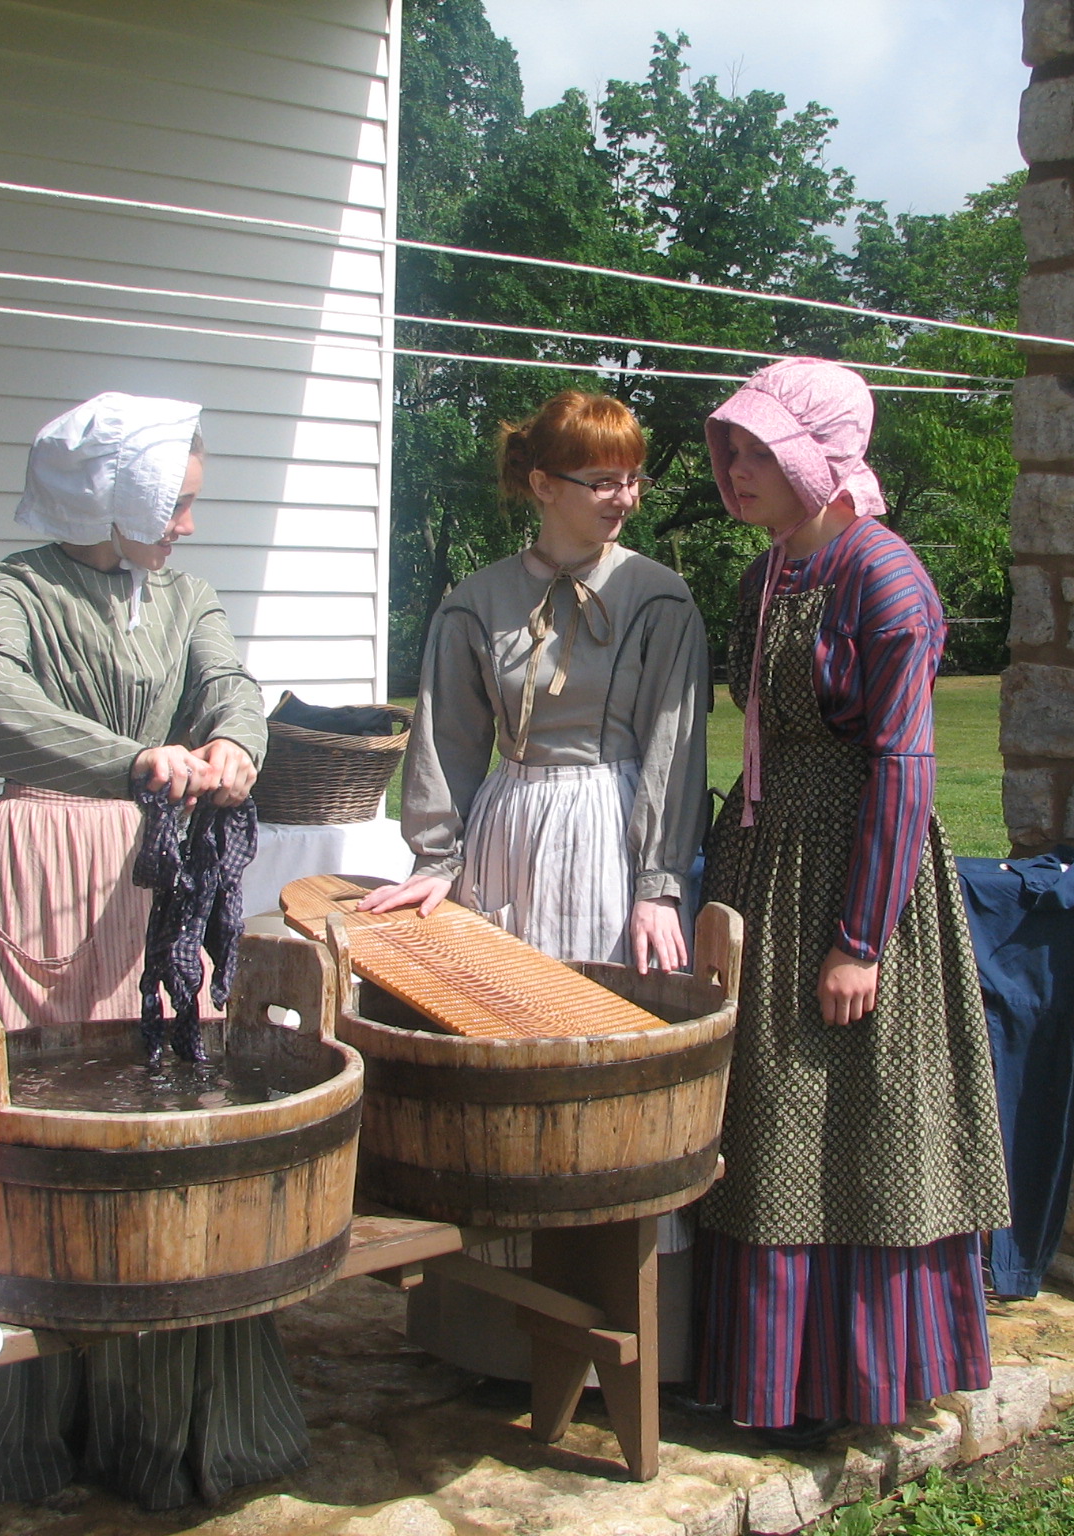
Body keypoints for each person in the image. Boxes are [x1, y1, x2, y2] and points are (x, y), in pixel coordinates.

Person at [0, 392, 306, 1512]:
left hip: (153, 883)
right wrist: (133, 758)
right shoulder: (15, 586)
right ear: (116, 495)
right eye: (178, 502)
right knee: (31, 1127)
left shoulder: (186, 595)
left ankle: (163, 1418)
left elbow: (229, 683)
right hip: (41, 864)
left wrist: (235, 742)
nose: (190, 523)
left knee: (157, 1123)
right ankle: (33, 1415)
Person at [361, 389, 710, 1381]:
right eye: (602, 480)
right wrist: (434, 863)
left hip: (606, 832)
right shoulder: (476, 601)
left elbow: (676, 748)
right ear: (543, 484)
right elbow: (445, 741)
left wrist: (656, 883)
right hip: (505, 832)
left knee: (598, 1069)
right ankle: (490, 1337)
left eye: (633, 477)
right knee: (499, 1067)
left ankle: (617, 1338)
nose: (624, 498)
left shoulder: (658, 599)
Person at [693, 359, 1009, 1445]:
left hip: (851, 879)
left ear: (812, 457)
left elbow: (902, 770)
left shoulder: (883, 577)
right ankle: (765, 1374)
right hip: (763, 867)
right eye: (728, 448)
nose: (734, 469)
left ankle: (857, 1378)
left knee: (853, 1119)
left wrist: (858, 938)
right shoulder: (765, 578)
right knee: (767, 1114)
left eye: (755, 450)